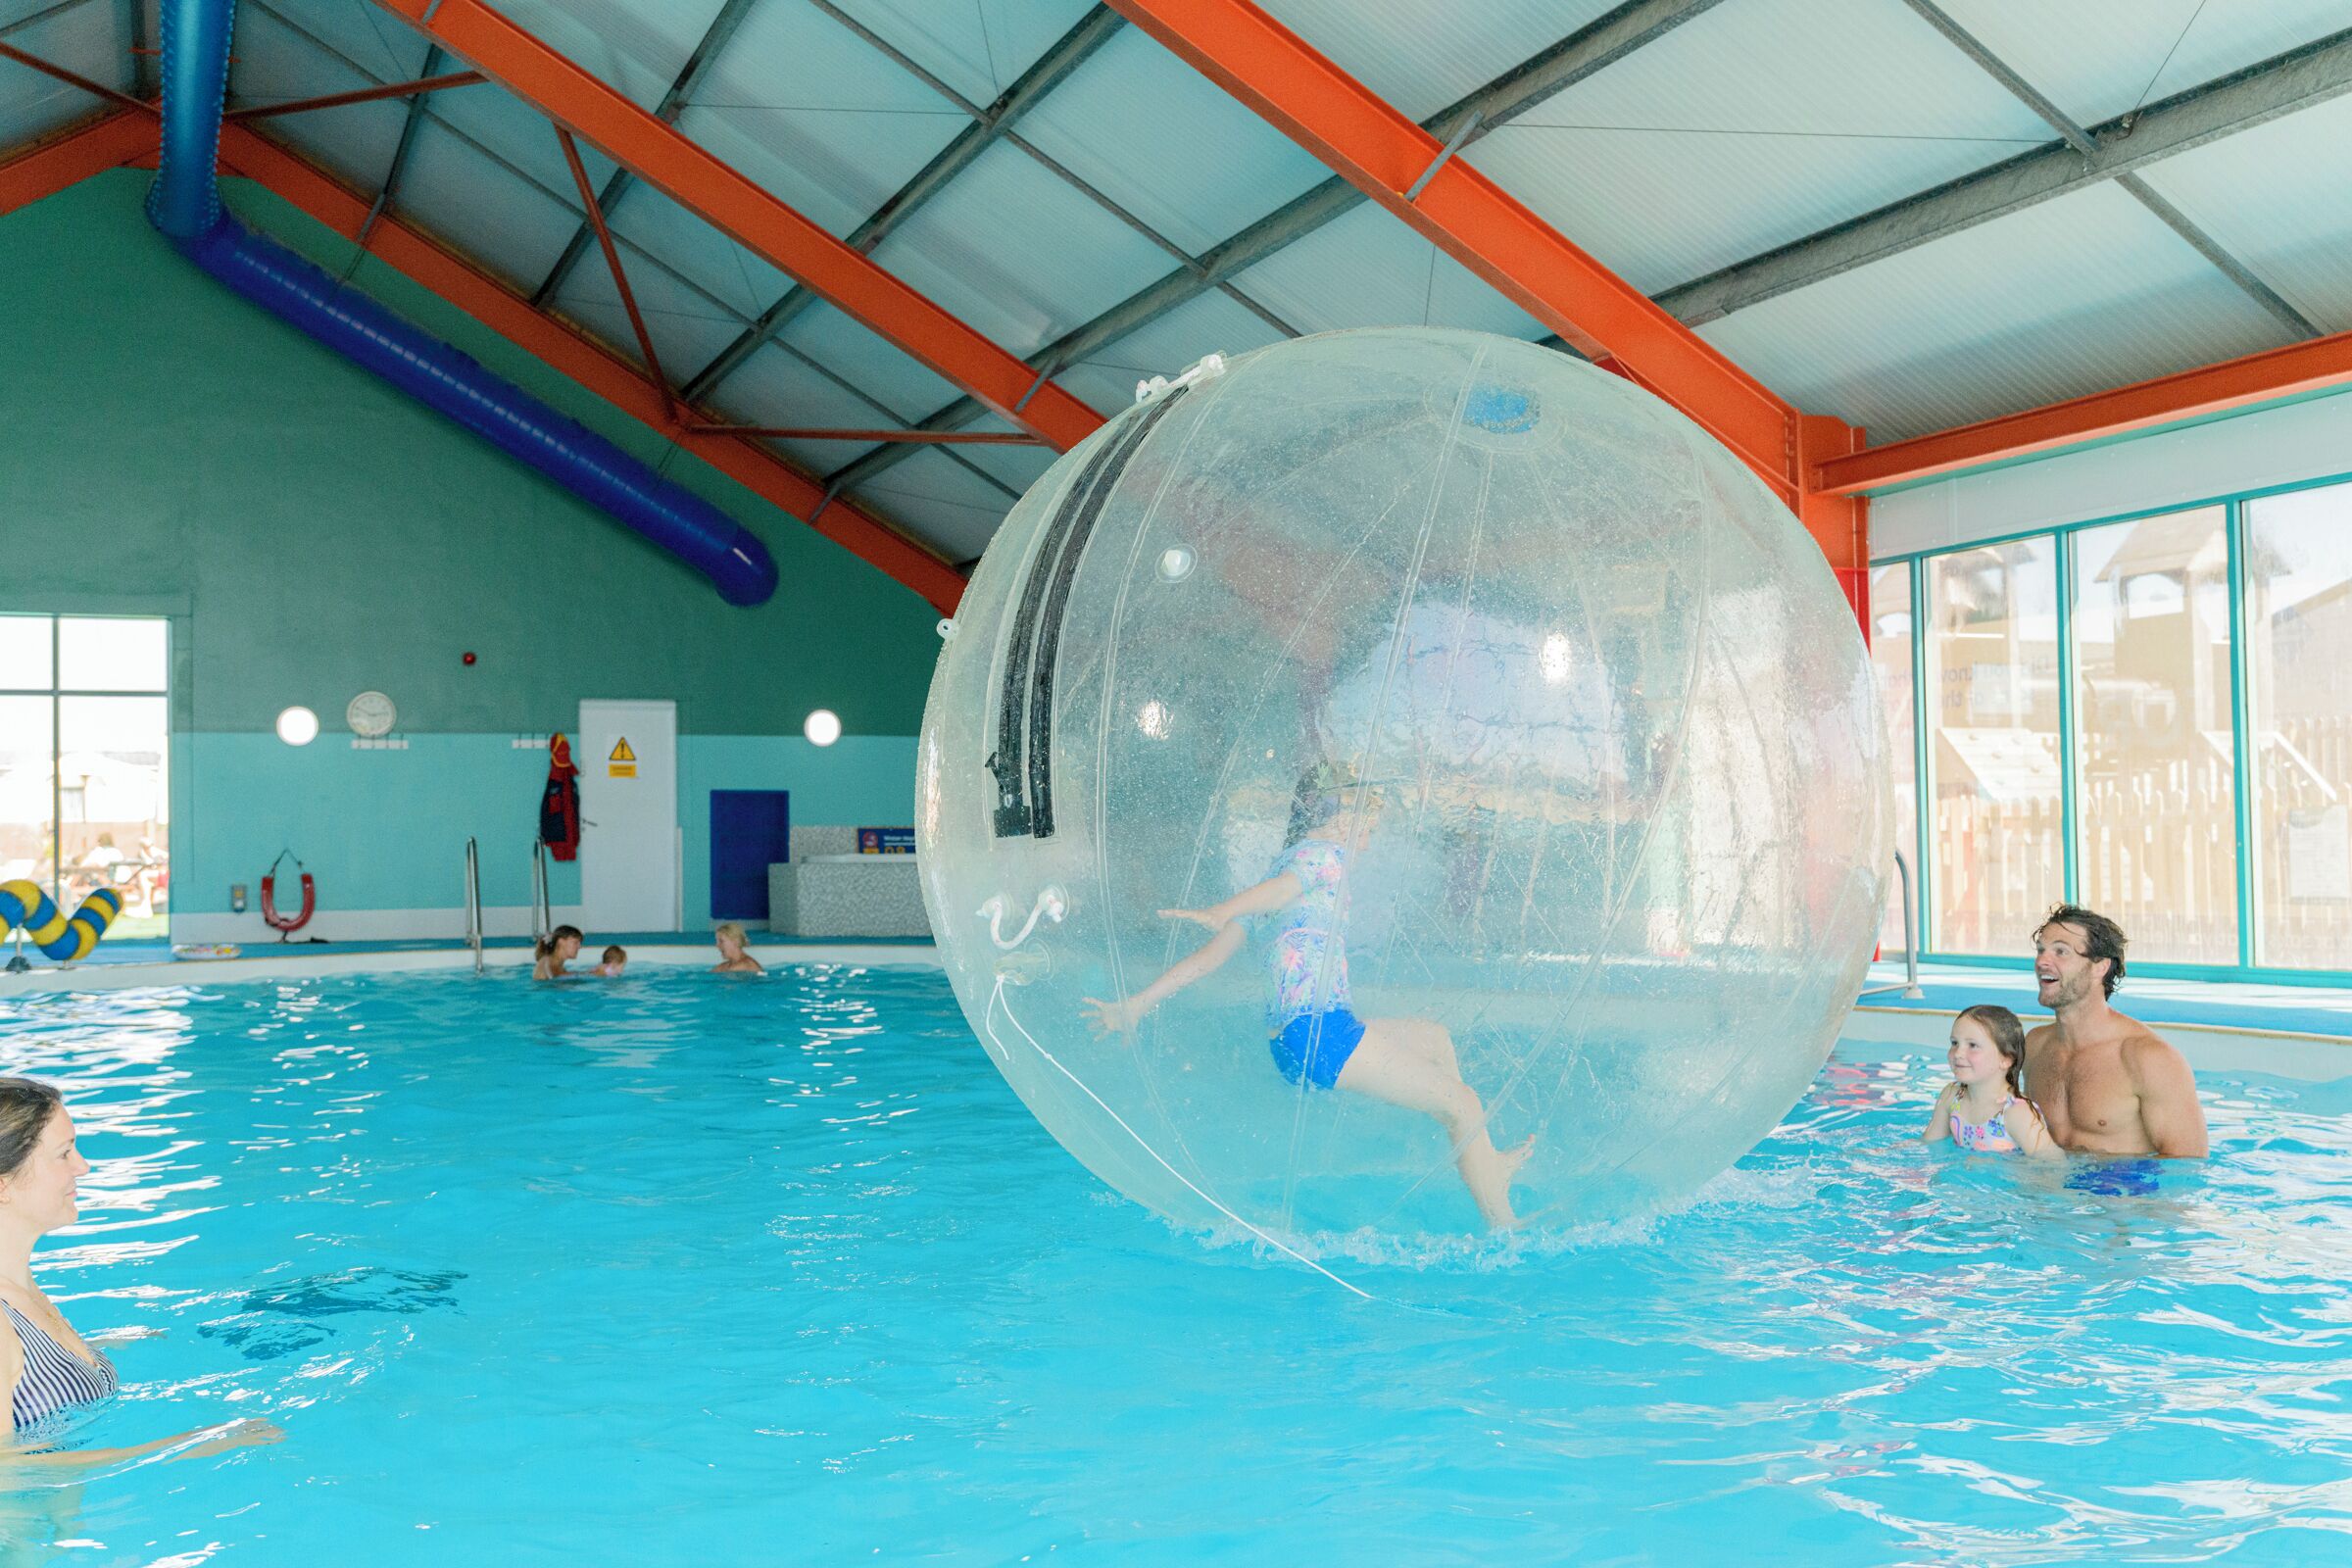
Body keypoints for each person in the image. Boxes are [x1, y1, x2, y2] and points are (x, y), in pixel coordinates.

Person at [1080, 765, 1533, 1230]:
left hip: (1296, 1041)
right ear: (1341, 817)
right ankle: (1504, 1226)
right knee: (1465, 1104)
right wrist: (1223, 910)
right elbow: (1282, 891)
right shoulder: (1324, 857)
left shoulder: (1285, 862)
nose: (1367, 843)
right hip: (1320, 1034)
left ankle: (1480, 1157)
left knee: (1435, 1041)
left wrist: (1137, 1003)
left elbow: (1211, 957)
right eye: (1368, 829)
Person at [0, 1078, 277, 1462]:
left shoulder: (19, 1284)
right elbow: (7, 1473)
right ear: (4, 1184)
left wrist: (98, 1348)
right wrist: (189, 1445)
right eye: (64, 1154)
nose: (83, 1167)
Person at [2021, 905, 2208, 1160]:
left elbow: (2187, 1163)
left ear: (2100, 967)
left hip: (2119, 1197)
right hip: (2043, 1196)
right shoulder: (2035, 1046)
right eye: (2041, 951)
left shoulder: (2147, 1058)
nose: (2042, 961)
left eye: (2060, 952)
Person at [1922, 1004, 2057, 1157]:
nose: (1958, 1053)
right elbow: (1930, 1143)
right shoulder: (1952, 1096)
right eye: (1954, 1043)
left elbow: (2051, 1166)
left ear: (2005, 1059)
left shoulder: (2016, 1113)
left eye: (1972, 1045)